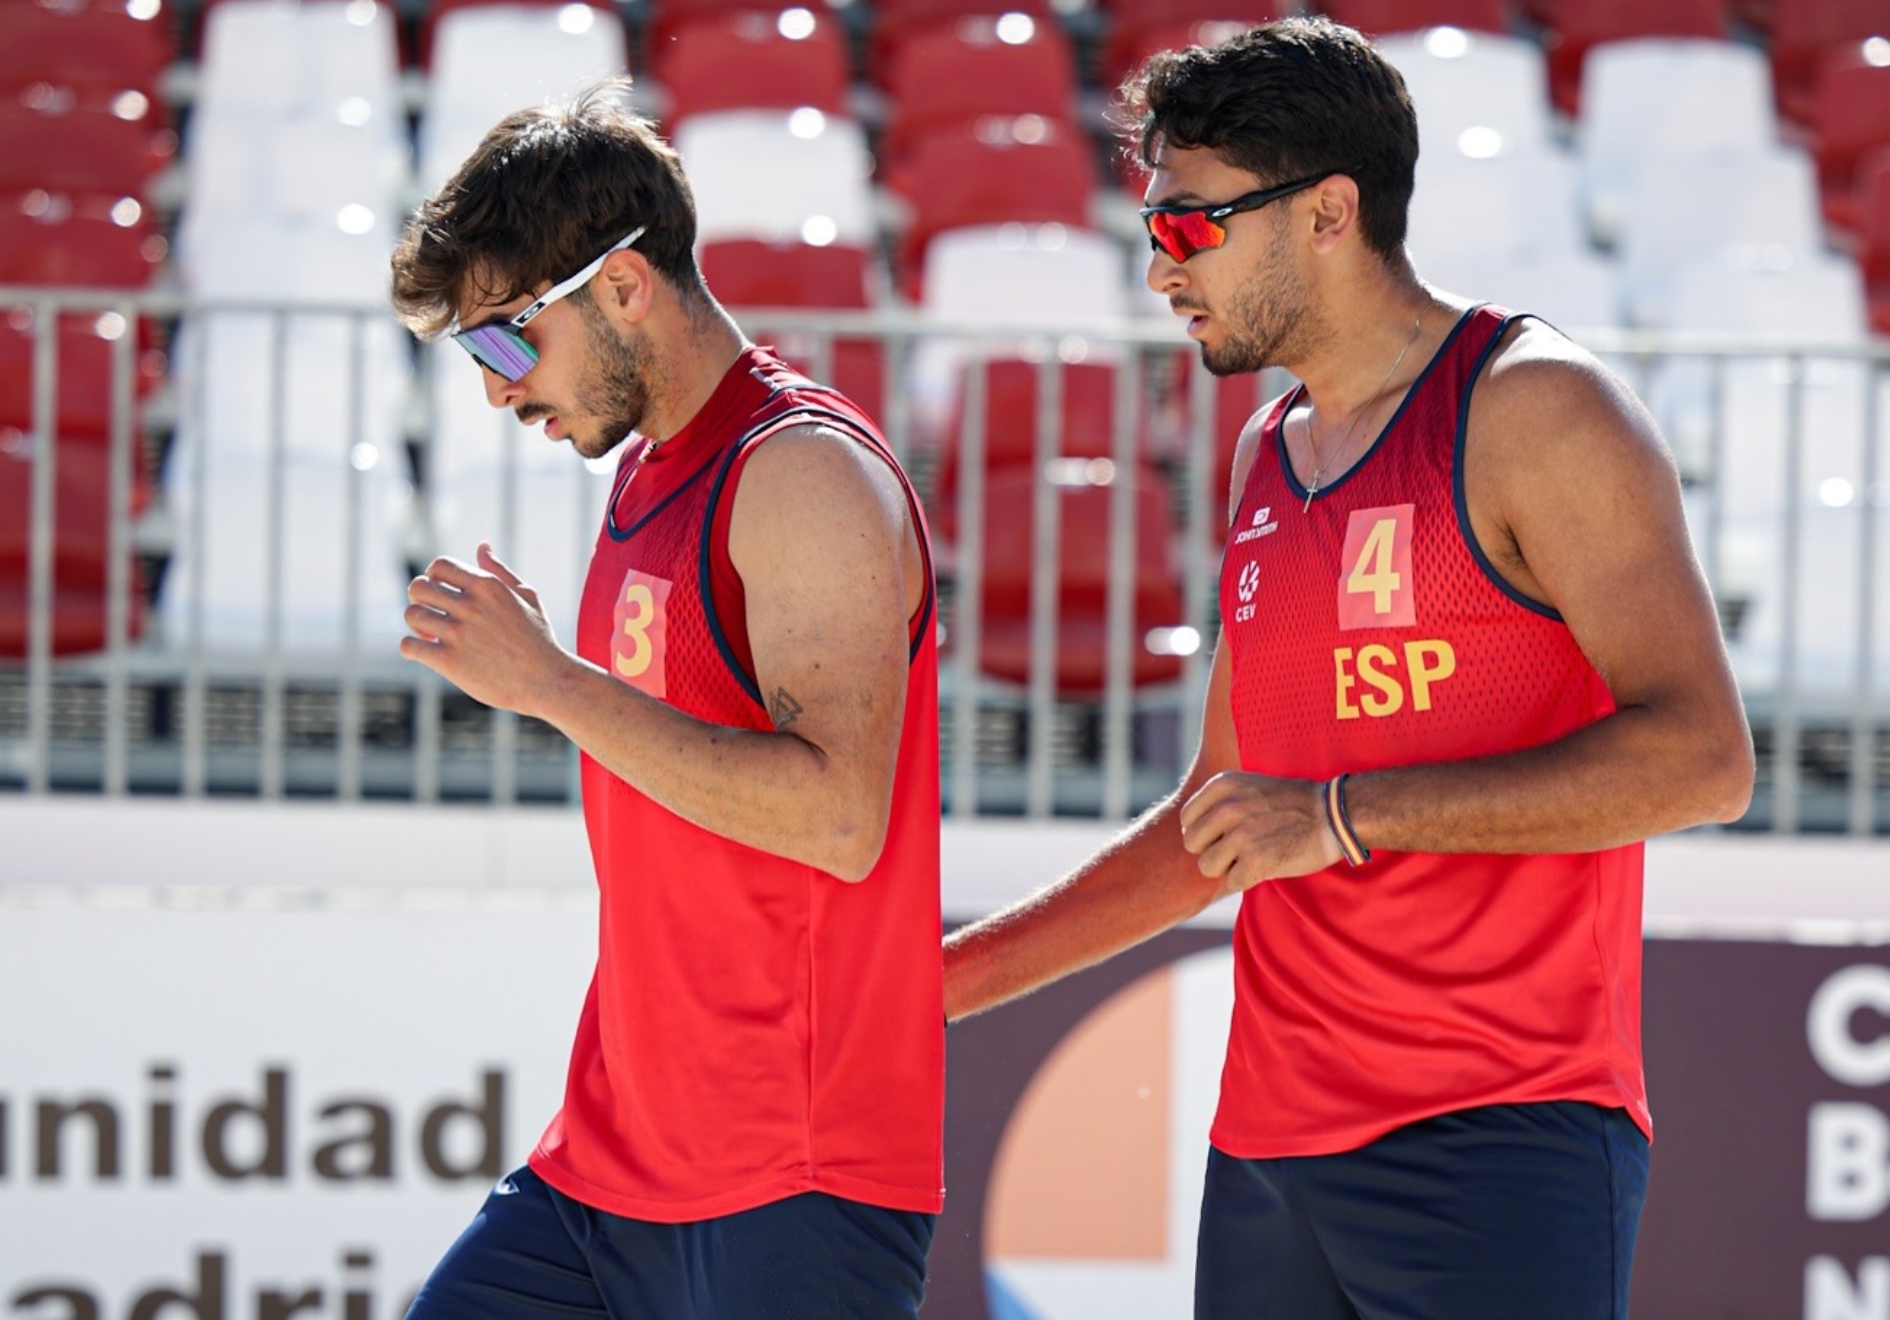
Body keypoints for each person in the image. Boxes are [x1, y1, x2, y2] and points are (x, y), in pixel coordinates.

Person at [943, 18, 1755, 1319]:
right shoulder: (1267, 452)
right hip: (1269, 1152)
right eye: (1151, 229)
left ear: (1328, 212)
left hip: (1498, 1132)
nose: (1160, 270)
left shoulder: (1536, 407)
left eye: (1189, 224)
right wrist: (936, 989)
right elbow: (1219, 819)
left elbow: (1704, 761)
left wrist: (1342, 817)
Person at [387, 84, 943, 1320]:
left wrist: (550, 686)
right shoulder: (652, 464)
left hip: (791, 1171)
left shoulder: (800, 472)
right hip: (614, 1158)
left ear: (625, 287)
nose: (495, 390)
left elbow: (842, 818)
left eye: (504, 342)